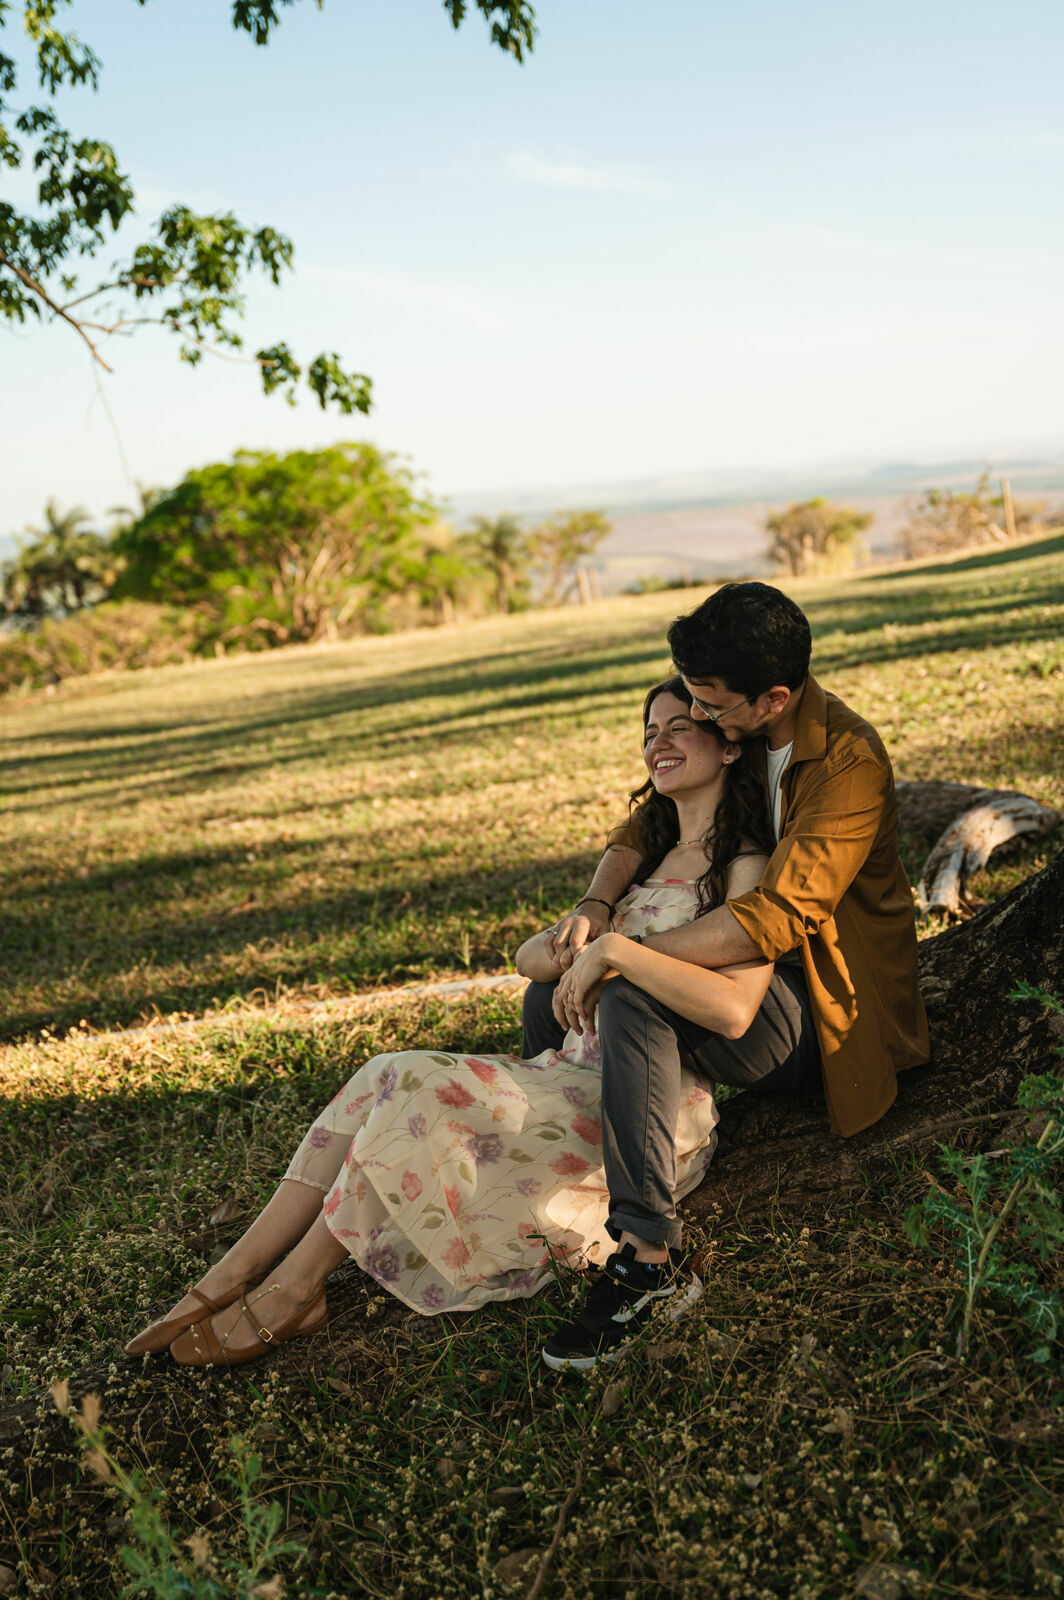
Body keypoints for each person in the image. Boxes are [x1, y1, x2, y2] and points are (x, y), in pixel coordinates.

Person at [124, 676, 796, 1370]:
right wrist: (584, 930)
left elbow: (731, 1008)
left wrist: (617, 953)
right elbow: (532, 958)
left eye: (679, 727)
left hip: (643, 1107)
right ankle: (233, 1274)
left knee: (417, 1084)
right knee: (385, 1072)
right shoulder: (636, 864)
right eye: (649, 732)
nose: (659, 742)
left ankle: (293, 1289)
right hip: (564, 1079)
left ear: (726, 748)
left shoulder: (742, 864)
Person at [528, 581, 930, 1369]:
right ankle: (545, 1161)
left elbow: (777, 921)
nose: (695, 717)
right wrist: (598, 906)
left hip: (823, 1008)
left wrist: (624, 954)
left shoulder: (845, 760)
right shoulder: (739, 733)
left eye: (708, 706)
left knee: (632, 993)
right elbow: (645, 819)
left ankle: (649, 1264)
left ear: (771, 700)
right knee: (557, 994)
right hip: (745, 985)